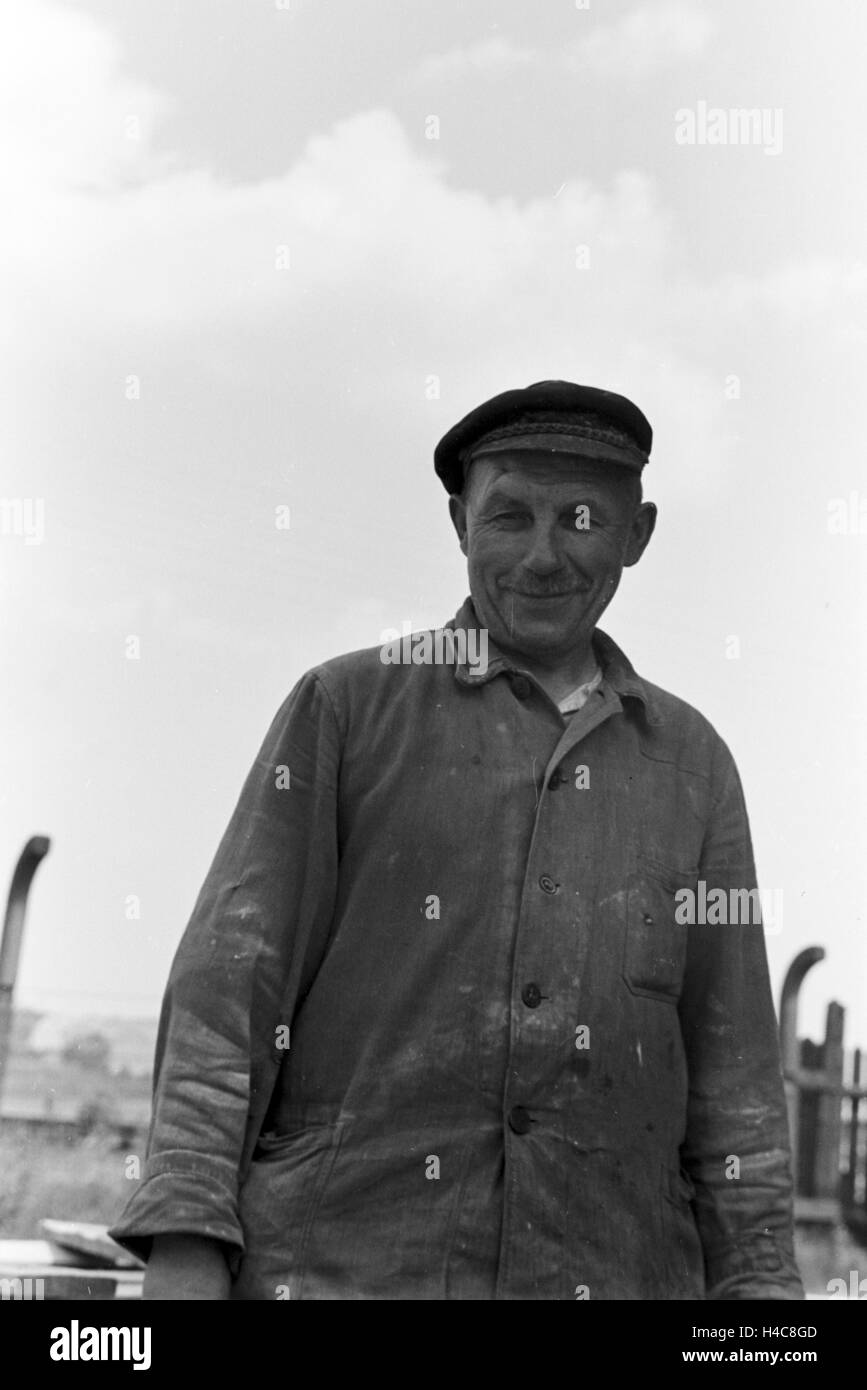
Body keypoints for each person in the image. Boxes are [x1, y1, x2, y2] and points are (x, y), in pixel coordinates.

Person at [110, 379, 804, 1300]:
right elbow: (228, 993)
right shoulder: (347, 710)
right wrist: (187, 1246)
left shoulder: (693, 766)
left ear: (636, 536)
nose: (544, 555)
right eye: (509, 516)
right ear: (459, 526)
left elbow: (737, 1091)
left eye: (583, 518)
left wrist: (762, 1307)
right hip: (340, 1274)